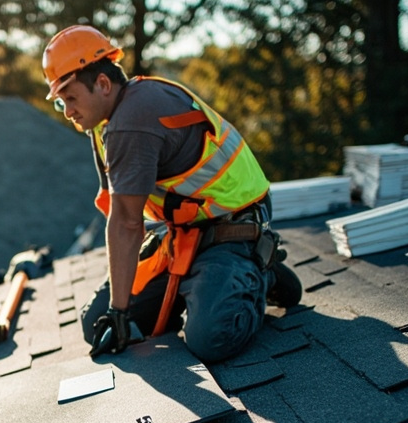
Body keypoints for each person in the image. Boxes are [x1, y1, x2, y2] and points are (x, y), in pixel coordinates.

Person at [42, 25, 303, 362]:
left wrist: (121, 313)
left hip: (232, 225)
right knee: (96, 324)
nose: (67, 111)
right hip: (184, 231)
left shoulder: (133, 119)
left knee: (211, 337)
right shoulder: (104, 121)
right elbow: (120, 214)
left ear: (103, 84)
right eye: (61, 101)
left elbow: (127, 223)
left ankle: (259, 272)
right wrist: (115, 312)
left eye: (71, 98)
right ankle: (203, 285)